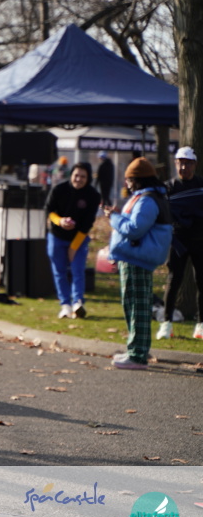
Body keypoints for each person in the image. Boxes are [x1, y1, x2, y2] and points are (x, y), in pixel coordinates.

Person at [103, 157, 173, 370]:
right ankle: (136, 348)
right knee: (133, 305)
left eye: (129, 179)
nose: (127, 183)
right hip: (132, 258)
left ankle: (137, 355)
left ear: (138, 179)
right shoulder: (145, 197)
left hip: (137, 260)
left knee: (138, 307)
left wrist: (114, 218)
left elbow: (134, 229)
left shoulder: (147, 201)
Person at [158, 146, 203, 340]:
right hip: (177, 241)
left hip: (200, 241)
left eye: (188, 163)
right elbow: (164, 214)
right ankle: (166, 324)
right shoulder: (168, 187)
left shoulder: (201, 185)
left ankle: (200, 325)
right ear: (175, 163)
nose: (184, 167)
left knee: (201, 282)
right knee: (174, 280)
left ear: (195, 164)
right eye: (180, 163)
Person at [45, 162, 100, 319]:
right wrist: (60, 221)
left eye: (83, 176)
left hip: (79, 239)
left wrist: (74, 246)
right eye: (76, 175)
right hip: (56, 237)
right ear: (71, 175)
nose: (79, 179)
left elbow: (87, 223)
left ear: (88, 178)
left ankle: (78, 303)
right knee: (59, 272)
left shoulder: (93, 195)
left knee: (78, 270)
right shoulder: (59, 189)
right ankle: (65, 305)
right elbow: (49, 210)